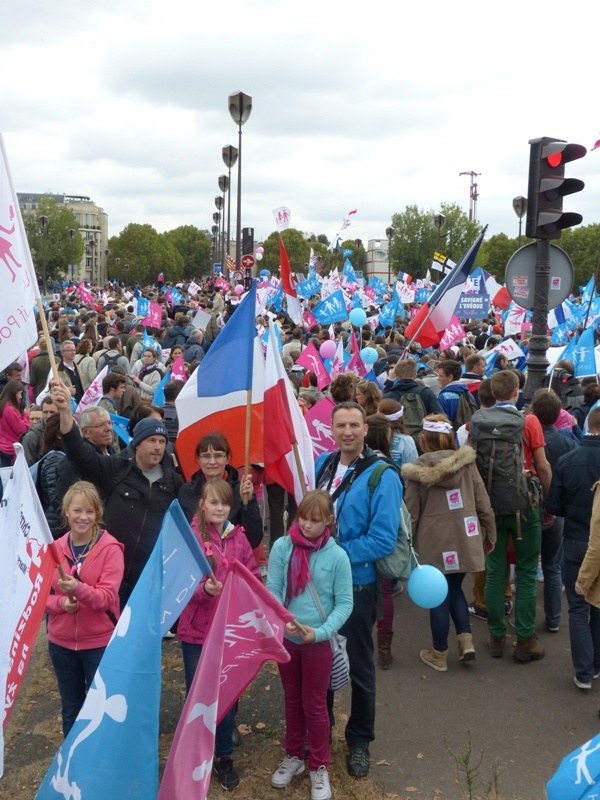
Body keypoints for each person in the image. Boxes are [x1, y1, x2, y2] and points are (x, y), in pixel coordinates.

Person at [314, 401, 402, 777]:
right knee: (321, 663)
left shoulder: (383, 476)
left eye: (354, 425)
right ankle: (321, 733)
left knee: (359, 667)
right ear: (331, 429)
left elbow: (383, 539)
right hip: (318, 586)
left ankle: (360, 740)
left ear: (366, 429)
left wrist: (332, 554)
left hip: (357, 586)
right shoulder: (324, 464)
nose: (347, 432)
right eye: (340, 425)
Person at [50, 380, 183, 607]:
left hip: (148, 578)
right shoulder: (116, 469)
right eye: (152, 440)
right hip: (111, 575)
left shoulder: (174, 483)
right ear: (137, 444)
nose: (158, 447)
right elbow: (79, 453)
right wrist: (65, 413)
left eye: (162, 442)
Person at [267, 490, 353, 800]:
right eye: (302, 517)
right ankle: (294, 756)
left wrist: (318, 633)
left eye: (315, 520)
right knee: (291, 698)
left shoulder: (337, 556)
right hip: (288, 639)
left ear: (328, 521)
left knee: (315, 703)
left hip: (318, 642)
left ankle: (319, 766)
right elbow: (272, 590)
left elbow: (344, 604)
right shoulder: (282, 547)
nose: (306, 525)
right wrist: (283, 619)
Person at [177, 479, 260, 791]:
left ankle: (223, 756)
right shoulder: (191, 537)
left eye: (225, 503)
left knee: (223, 697)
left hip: (228, 632)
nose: (220, 508)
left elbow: (251, 577)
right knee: (198, 696)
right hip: (196, 633)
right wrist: (203, 590)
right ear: (202, 504)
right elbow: (181, 583)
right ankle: (195, 753)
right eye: (213, 503)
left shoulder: (238, 538)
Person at [402, 415, 496, 671]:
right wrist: (490, 533)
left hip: (433, 541)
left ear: (423, 439)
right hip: (465, 535)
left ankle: (439, 652)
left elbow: (411, 512)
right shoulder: (466, 464)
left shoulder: (416, 471)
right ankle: (466, 641)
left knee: (437, 596)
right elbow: (482, 501)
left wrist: (406, 544)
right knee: (455, 588)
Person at [471, 370, 551, 662]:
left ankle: (495, 636)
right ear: (517, 392)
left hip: (490, 508)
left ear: (493, 392)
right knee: (527, 573)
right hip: (524, 506)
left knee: (495, 571)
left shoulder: (478, 422)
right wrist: (548, 503)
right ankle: (525, 640)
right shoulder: (528, 421)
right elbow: (542, 467)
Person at [45, 481, 124, 737]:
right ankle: (72, 768)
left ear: (97, 514)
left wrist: (77, 589)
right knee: (72, 709)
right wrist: (61, 604)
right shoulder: (53, 550)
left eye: (90, 511)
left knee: (101, 708)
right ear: (66, 511)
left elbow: (106, 598)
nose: (83, 517)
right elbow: (39, 598)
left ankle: (104, 763)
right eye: (77, 510)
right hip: (62, 644)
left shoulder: (110, 549)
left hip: (99, 644)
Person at [546, 407, 600, 689]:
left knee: (578, 607)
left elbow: (553, 505)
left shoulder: (569, 459)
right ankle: (594, 666)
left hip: (578, 538)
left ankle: (584, 672)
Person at [178, 431, 263, 550]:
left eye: (218, 456)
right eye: (206, 456)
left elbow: (253, 540)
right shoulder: (186, 492)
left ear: (227, 458)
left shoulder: (241, 490)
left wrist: (248, 502)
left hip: (232, 562)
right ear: (199, 459)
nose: (212, 462)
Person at [0, 379, 30, 466]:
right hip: (12, 449)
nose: (21, 397)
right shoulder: (9, 409)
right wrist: (26, 415)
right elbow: (22, 430)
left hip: (3, 447)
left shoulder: (3, 406)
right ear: (13, 393)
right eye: (19, 393)